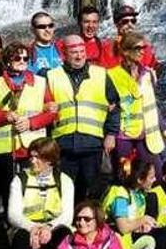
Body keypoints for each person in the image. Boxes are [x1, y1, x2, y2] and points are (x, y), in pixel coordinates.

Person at [0, 42, 57, 224]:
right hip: (5, 149)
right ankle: (8, 227)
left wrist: (31, 122)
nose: (22, 61)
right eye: (17, 58)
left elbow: (52, 112)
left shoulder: (40, 83)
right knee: (8, 192)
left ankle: (35, 224)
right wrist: (5, 116)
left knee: (33, 189)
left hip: (33, 148)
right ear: (7, 61)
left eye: (25, 58)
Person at [47, 34, 119, 203]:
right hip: (63, 144)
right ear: (64, 54)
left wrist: (111, 134)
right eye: (74, 52)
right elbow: (43, 106)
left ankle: (92, 225)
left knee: (93, 190)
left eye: (82, 51)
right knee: (64, 192)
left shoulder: (101, 74)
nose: (79, 56)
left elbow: (115, 106)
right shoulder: (51, 75)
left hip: (92, 143)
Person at [5, 137, 74, 249]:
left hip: (53, 227)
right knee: (20, 237)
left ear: (50, 160)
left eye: (37, 157)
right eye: (32, 156)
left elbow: (67, 215)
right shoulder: (20, 179)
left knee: (64, 233)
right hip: (26, 227)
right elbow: (13, 214)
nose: (32, 160)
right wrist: (32, 228)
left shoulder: (64, 181)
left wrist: (49, 228)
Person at [102, 158, 166, 249]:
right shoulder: (121, 195)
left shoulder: (139, 194)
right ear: (140, 179)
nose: (154, 180)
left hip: (129, 237)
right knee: (153, 240)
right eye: (151, 177)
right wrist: (143, 220)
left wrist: (144, 225)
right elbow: (123, 227)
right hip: (116, 242)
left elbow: (134, 220)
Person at [108, 31, 166, 172]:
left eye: (143, 48)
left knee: (155, 172)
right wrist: (110, 134)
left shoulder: (147, 74)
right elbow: (109, 109)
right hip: (123, 135)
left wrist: (164, 129)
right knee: (124, 174)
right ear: (126, 51)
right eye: (138, 48)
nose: (142, 52)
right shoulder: (112, 75)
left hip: (146, 134)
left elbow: (151, 105)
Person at [98, 5, 158, 69]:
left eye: (133, 21)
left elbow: (155, 68)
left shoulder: (146, 48)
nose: (130, 25)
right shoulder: (106, 49)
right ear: (116, 24)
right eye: (125, 22)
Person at [28, 12, 63, 76]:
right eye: (42, 27)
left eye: (50, 26)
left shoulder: (62, 47)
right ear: (33, 30)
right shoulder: (28, 52)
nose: (47, 30)